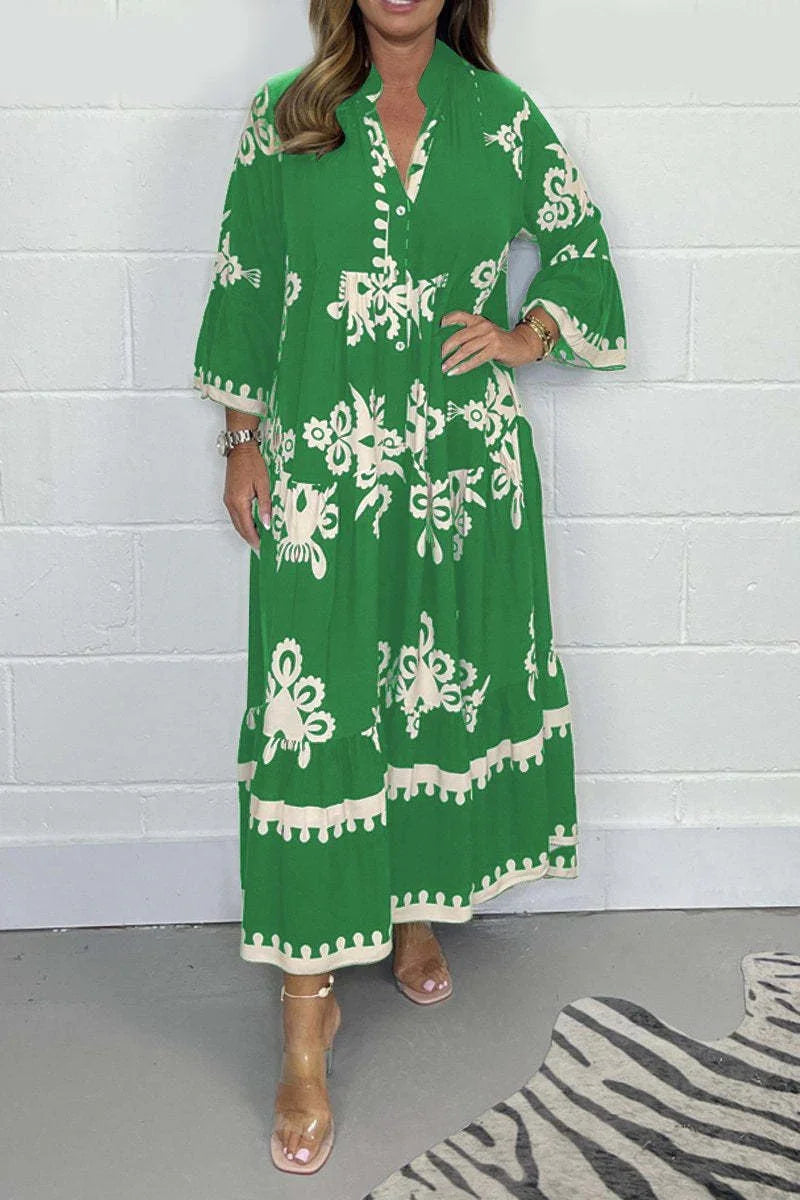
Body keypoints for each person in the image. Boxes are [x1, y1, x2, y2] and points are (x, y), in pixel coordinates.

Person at [192, 0, 627, 1176]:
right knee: (317, 714)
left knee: (432, 690)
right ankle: (303, 1013)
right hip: (325, 468)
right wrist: (241, 435)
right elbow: (247, 280)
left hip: (461, 467)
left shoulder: (499, 118)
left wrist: (524, 334)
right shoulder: (286, 116)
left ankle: (415, 900)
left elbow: (578, 247)